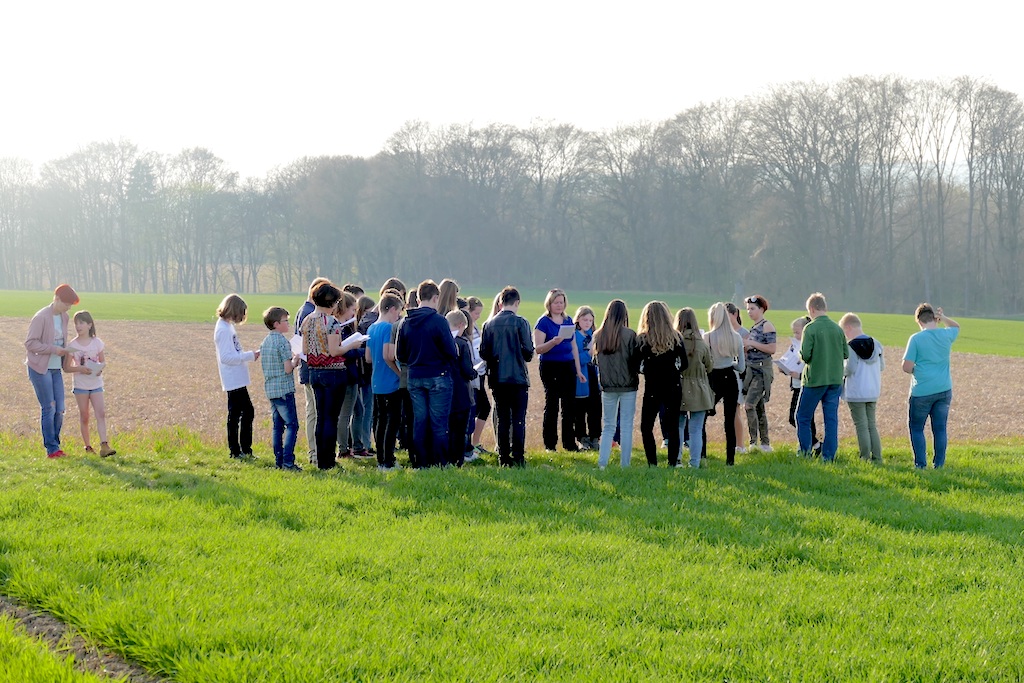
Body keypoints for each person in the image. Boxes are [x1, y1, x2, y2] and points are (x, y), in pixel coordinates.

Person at [301, 282, 364, 470]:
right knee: (331, 418)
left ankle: (321, 460)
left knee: (321, 417)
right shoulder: (332, 322)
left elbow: (305, 349)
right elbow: (335, 350)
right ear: (332, 303)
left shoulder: (307, 320)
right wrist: (352, 346)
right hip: (334, 373)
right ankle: (329, 461)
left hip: (314, 372)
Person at [397, 280, 458, 468]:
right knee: (439, 422)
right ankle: (440, 462)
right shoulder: (439, 321)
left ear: (417, 298)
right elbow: (451, 351)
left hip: (415, 376)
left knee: (419, 421)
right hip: (438, 375)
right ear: (435, 297)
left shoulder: (405, 322)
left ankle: (420, 462)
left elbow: (400, 355)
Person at [479, 286, 535, 467]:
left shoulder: (489, 325)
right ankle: (518, 456)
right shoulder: (521, 323)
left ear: (501, 302)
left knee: (502, 419)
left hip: (497, 378)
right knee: (518, 419)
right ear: (517, 302)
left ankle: (503, 458)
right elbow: (528, 352)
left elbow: (484, 352)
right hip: (517, 377)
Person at [902, 304, 959, 469]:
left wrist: (917, 370)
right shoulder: (946, 334)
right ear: (935, 318)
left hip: (922, 391)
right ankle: (939, 464)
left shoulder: (916, 339)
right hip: (944, 389)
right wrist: (944, 317)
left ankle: (920, 464)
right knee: (940, 429)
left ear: (918, 321)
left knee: (917, 428)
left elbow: (906, 367)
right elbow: (956, 326)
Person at [25, 284, 79, 458]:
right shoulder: (41, 317)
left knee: (60, 409)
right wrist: (53, 349)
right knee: (49, 407)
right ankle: (52, 449)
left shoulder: (64, 317)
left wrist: (67, 350)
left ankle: (55, 445)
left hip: (56, 368)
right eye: (66, 304)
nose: (68, 308)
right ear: (56, 299)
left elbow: (61, 340)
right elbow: (30, 343)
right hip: (40, 368)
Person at [796, 292, 848, 462]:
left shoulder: (810, 328)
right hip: (835, 380)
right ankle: (829, 456)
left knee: (802, 416)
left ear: (811, 309)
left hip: (815, 380)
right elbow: (845, 353)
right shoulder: (837, 329)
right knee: (831, 419)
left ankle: (805, 453)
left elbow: (805, 355)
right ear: (824, 307)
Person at [534, 288, 585, 452]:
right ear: (549, 303)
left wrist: (578, 370)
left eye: (561, 302)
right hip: (550, 366)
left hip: (567, 365)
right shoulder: (543, 322)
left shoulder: (568, 320)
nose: (559, 305)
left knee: (569, 406)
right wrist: (552, 343)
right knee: (552, 405)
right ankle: (550, 444)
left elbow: (573, 346)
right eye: (556, 302)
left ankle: (569, 443)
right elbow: (538, 348)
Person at [636, 301, 687, 467]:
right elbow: (684, 363)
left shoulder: (642, 339)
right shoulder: (676, 337)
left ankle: (652, 462)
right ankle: (673, 462)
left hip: (652, 387)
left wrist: (647, 370)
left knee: (646, 426)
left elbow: (636, 365)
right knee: (673, 426)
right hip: (673, 386)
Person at [594, 299, 640, 469]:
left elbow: (596, 361)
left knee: (607, 426)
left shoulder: (599, 335)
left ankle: (602, 463)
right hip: (628, 385)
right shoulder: (630, 335)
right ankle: (625, 464)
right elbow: (635, 361)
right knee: (627, 425)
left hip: (607, 386)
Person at [214, 294, 261, 461]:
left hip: (237, 377)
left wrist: (247, 355)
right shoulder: (223, 329)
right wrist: (248, 356)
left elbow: (234, 351)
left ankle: (241, 449)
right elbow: (226, 357)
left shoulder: (227, 327)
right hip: (232, 378)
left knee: (242, 412)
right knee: (241, 413)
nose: (242, 317)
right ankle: (238, 450)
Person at [65, 310, 115, 457]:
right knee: (85, 415)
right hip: (80, 386)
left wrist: (99, 370)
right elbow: (67, 368)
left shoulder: (97, 342)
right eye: (76, 323)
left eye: (81, 323)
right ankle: (87, 447)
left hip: (96, 384)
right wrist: (80, 368)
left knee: (101, 413)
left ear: (89, 325)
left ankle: (104, 445)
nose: (78, 326)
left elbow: (102, 361)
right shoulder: (72, 345)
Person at [366, 292, 405, 471]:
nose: (399, 315)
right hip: (390, 381)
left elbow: (368, 358)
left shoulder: (372, 328)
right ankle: (388, 459)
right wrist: (399, 373)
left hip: (376, 381)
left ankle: (381, 458)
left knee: (380, 421)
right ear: (391, 309)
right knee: (393, 420)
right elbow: (387, 355)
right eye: (398, 311)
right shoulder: (388, 328)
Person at [260, 306, 302, 471]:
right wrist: (295, 361)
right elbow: (287, 368)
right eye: (285, 321)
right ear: (276, 324)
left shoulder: (266, 341)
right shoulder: (282, 342)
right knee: (292, 425)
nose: (288, 323)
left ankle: (279, 460)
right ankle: (288, 461)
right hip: (284, 389)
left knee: (277, 426)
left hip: (271, 389)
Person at [839, 312, 884, 463]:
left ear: (849, 327)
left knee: (861, 425)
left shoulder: (851, 346)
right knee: (871, 424)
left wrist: (841, 371)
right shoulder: (876, 344)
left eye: (844, 331)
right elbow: (881, 366)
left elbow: (850, 368)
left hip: (856, 391)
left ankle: (864, 457)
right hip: (873, 389)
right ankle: (877, 457)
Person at [296, 276, 331, 465]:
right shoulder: (310, 313)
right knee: (314, 412)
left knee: (314, 411)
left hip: (308, 367)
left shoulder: (304, 310)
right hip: (312, 367)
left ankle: (316, 453)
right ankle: (314, 453)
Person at [706, 302, 745, 465]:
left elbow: (706, 363)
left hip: (713, 378)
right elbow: (741, 367)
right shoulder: (736, 337)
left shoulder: (707, 337)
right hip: (730, 377)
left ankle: (701, 455)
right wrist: (730, 364)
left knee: (702, 417)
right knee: (729, 420)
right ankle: (730, 459)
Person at [676, 308, 713, 468]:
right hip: (699, 388)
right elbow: (710, 366)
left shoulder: (676, 341)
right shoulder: (702, 344)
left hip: (679, 387)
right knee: (696, 429)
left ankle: (676, 460)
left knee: (678, 426)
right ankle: (695, 463)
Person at [742, 295, 777, 452]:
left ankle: (753, 442)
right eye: (748, 309)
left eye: (753, 309)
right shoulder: (754, 327)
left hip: (762, 371)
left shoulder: (767, 326)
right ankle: (765, 444)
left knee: (749, 405)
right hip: (752, 370)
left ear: (762, 309)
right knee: (759, 407)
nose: (749, 312)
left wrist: (751, 343)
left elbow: (772, 349)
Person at [783, 316, 819, 453]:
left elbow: (812, 366)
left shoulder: (810, 346)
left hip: (805, 385)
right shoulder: (794, 345)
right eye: (794, 332)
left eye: (797, 332)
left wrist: (799, 375)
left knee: (796, 417)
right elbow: (788, 358)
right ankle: (811, 445)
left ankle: (812, 445)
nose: (795, 335)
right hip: (796, 385)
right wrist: (784, 367)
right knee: (806, 419)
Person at [446, 310, 477, 467]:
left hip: (445, 390)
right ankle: (457, 459)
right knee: (460, 429)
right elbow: (467, 369)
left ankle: (446, 458)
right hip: (462, 391)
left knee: (447, 428)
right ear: (460, 325)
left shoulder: (443, 341)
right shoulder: (462, 343)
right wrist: (474, 373)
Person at [349, 294, 377, 458]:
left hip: (361, 372)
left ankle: (362, 442)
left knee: (363, 410)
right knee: (366, 409)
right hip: (365, 373)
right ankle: (364, 443)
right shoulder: (365, 326)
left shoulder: (356, 326)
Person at [466, 296, 492, 460]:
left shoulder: (474, 327)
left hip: (480, 371)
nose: (478, 317)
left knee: (483, 407)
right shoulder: (467, 327)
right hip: (473, 373)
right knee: (479, 407)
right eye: (476, 313)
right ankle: (471, 444)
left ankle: (474, 442)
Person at [573, 306, 601, 451]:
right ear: (578, 319)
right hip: (580, 375)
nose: (588, 322)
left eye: (590, 320)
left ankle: (595, 437)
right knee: (580, 409)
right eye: (585, 319)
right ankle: (582, 438)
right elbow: (575, 357)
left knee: (595, 407)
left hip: (594, 374)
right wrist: (589, 353)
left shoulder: (594, 335)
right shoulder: (574, 336)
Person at [725, 302, 749, 453]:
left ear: (735, 315)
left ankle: (740, 445)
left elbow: (745, 359)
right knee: (731, 411)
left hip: (739, 376)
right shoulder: (724, 332)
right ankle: (735, 443)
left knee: (735, 410)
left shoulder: (743, 333)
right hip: (727, 375)